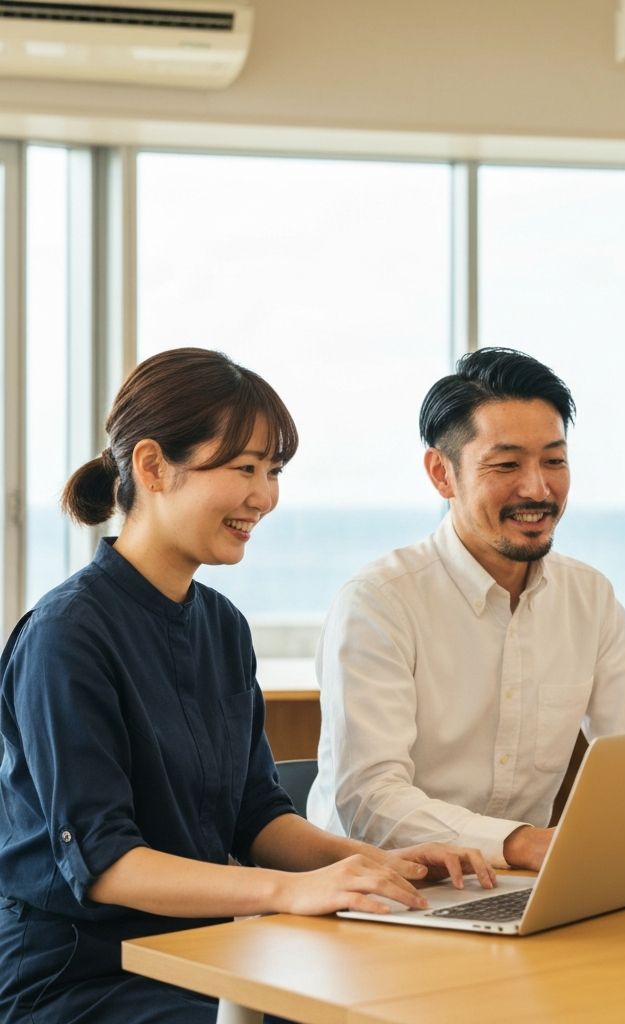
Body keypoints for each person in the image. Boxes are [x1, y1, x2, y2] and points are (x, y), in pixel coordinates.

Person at [0, 348, 493, 1024]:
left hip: (209, 956)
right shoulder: (67, 635)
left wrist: (380, 861)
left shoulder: (221, 627)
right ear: (151, 467)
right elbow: (106, 864)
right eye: (243, 468)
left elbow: (257, 818)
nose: (264, 496)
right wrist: (289, 894)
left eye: (274, 470)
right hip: (80, 979)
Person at [307, 347, 625, 871]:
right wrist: (519, 843)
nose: (537, 488)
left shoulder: (588, 595)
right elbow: (369, 800)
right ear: (441, 474)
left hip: (514, 889)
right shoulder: (379, 601)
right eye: (507, 464)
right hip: (383, 892)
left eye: (555, 461)